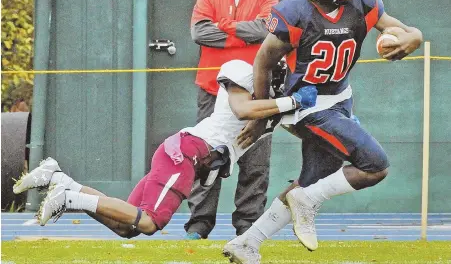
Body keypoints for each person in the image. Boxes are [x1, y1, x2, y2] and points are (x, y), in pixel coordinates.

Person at [223, 0, 423, 263]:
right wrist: (261, 115)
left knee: (311, 181)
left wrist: (414, 36)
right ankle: (306, 200)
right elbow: (262, 62)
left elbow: (401, 30)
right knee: (375, 165)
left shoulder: (364, 1)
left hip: (341, 99)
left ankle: (247, 242)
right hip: (307, 105)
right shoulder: (296, 14)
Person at [13, 59, 317, 238]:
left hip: (187, 156)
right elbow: (242, 110)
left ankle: (60, 181)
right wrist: (290, 102)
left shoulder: (275, 108)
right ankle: (68, 197)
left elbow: (297, 125)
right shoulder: (243, 74)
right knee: (149, 222)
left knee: (126, 228)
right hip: (187, 152)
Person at [187, 0, 279, 239]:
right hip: (212, 91)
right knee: (206, 157)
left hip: (255, 93)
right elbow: (200, 33)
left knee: (255, 162)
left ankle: (247, 227)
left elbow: (266, 29)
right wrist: (244, 32)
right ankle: (199, 225)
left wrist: (225, 26)